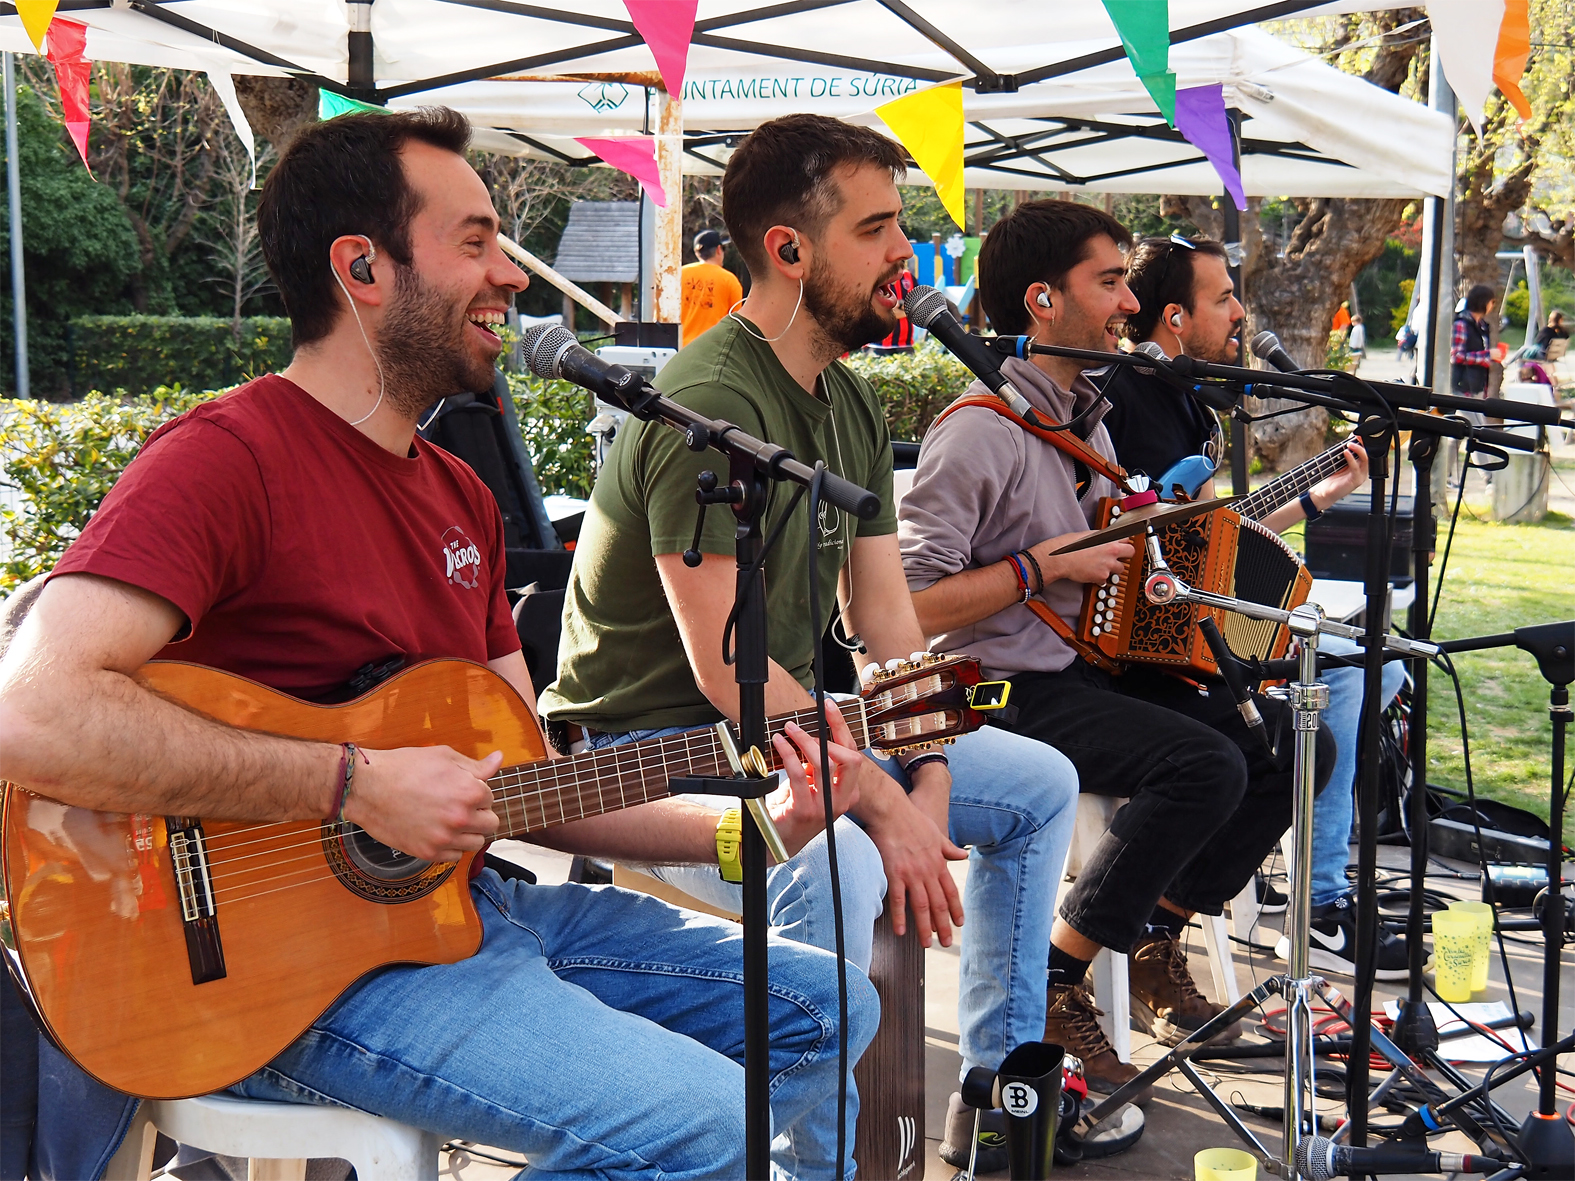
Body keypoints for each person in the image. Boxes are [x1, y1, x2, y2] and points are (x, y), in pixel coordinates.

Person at [0, 108, 877, 1181]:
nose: (511, 275)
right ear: (361, 266)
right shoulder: (226, 460)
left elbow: (534, 779)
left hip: (473, 907)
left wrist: (747, 830)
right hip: (280, 979)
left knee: (831, 1003)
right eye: (475, 240)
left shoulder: (458, 493)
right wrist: (351, 780)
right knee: (703, 1126)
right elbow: (29, 711)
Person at [540, 114, 1081, 1175]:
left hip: (787, 732)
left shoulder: (847, 405)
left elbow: (888, 625)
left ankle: (994, 1092)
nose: (904, 260)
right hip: (649, 748)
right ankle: (806, 1161)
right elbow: (719, 668)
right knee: (837, 859)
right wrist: (880, 804)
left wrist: (924, 781)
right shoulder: (707, 400)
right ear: (788, 250)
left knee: (1040, 784)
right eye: (878, 229)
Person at [899, 200, 1340, 1101]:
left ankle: (1154, 936)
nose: (1129, 306)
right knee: (1203, 763)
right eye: (1108, 283)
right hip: (997, 686)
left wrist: (1151, 534)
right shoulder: (977, 430)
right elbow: (907, 609)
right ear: (1042, 299)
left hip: (1080, 668)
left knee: (1293, 745)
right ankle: (1063, 973)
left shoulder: (1086, 420)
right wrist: (1036, 567)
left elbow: (1105, 565)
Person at [1108, 234, 1409, 980]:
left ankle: (1167, 923)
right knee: (1317, 711)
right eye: (1223, 299)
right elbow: (1158, 538)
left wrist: (1316, 493)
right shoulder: (1126, 398)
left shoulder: (1188, 404)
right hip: (1139, 647)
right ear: (1174, 317)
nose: (1241, 314)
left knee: (1360, 685)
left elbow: (1214, 542)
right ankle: (1309, 902)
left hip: (1186, 621)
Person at [681, 227, 745, 345]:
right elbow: (736, 323)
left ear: (697, 253)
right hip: (712, 351)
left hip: (679, 349)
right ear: (718, 250)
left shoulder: (679, 275)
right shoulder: (729, 280)